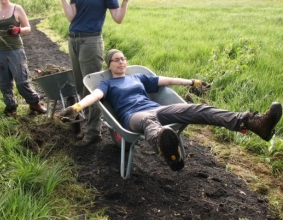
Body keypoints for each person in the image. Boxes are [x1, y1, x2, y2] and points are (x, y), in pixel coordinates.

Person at [59, 49, 282, 171]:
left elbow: (165, 80)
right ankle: (164, 145)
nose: (121, 62)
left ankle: (251, 123)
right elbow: (95, 96)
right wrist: (77, 106)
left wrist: (191, 82)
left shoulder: (137, 77)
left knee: (197, 109)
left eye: (123, 58)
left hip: (156, 109)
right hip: (133, 117)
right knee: (149, 121)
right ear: (109, 64)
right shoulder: (107, 84)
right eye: (116, 60)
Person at [58, 0, 136, 147]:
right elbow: (71, 16)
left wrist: (125, 0)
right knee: (80, 86)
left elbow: (117, 18)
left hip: (91, 41)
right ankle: (89, 126)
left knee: (91, 87)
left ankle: (93, 132)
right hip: (73, 39)